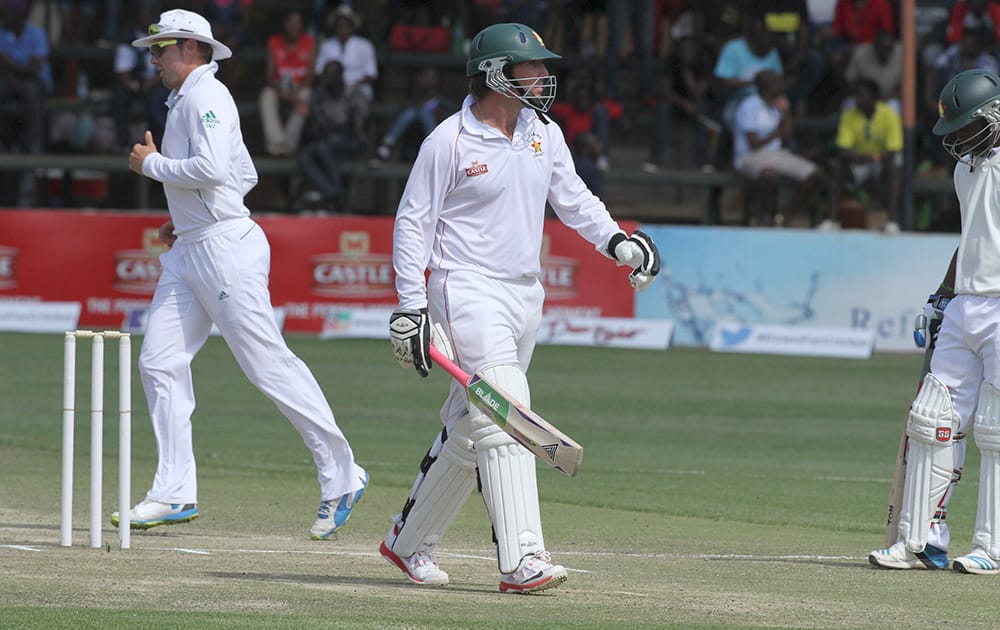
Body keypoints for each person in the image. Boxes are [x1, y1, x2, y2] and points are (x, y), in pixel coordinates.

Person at [381, 22, 660, 593]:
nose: (541, 76)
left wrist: (617, 242)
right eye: (530, 67)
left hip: (523, 292)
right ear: (494, 73)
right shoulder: (448, 141)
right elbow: (413, 223)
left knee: (472, 421)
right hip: (466, 288)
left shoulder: (542, 131)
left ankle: (407, 544)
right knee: (508, 413)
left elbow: (573, 197)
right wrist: (411, 306)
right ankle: (522, 559)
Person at [117, 9, 367, 540]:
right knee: (159, 362)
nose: (154, 58)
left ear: (189, 47)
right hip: (193, 248)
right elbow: (242, 173)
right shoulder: (190, 98)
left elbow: (209, 171)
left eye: (160, 49)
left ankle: (342, 473)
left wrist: (151, 166)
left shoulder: (206, 95)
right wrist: (181, 218)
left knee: (266, 365)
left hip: (225, 249)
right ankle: (174, 491)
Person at [869, 67, 1000, 574]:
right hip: (966, 305)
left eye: (967, 127)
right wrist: (941, 295)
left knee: (994, 427)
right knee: (932, 419)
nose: (960, 139)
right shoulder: (964, 170)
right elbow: (973, 239)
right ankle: (922, 541)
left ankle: (991, 545)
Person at [731, 70, 823, 227]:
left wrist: (786, 113)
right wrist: (776, 134)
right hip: (749, 156)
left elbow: (786, 137)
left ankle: (785, 215)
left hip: (776, 154)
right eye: (776, 82)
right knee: (768, 175)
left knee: (813, 173)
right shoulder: (749, 105)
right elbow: (753, 143)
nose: (781, 84)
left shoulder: (777, 104)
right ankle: (763, 216)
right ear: (766, 86)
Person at [826, 79, 903, 232]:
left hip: (880, 164)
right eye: (856, 95)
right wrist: (859, 158)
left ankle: (892, 222)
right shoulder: (849, 115)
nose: (857, 100)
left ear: (874, 98)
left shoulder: (889, 115)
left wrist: (871, 158)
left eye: (861, 95)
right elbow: (843, 147)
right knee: (837, 167)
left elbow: (893, 149)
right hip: (857, 164)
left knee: (893, 169)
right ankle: (831, 220)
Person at [296, 59, 367, 210]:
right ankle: (334, 193)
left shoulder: (352, 93)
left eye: (331, 74)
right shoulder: (319, 94)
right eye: (325, 74)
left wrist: (349, 121)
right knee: (304, 156)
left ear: (340, 75)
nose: (327, 78)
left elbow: (358, 125)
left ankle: (336, 197)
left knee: (323, 148)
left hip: (348, 141)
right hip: (325, 140)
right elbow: (319, 123)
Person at [259, 9, 315, 156]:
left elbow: (310, 76)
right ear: (284, 25)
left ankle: (289, 144)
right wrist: (280, 90)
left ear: (302, 26)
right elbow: (269, 76)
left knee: (307, 96)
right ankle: (276, 142)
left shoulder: (310, 42)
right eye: (290, 23)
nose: (293, 26)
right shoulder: (274, 42)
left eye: (297, 23)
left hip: (301, 86)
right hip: (279, 85)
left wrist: (295, 92)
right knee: (266, 95)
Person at [313, 6, 377, 128]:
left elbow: (371, 74)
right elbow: (319, 71)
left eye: (346, 24)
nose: (342, 28)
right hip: (331, 92)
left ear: (352, 26)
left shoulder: (365, 45)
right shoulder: (327, 45)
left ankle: (356, 140)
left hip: (357, 90)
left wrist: (351, 86)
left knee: (357, 107)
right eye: (339, 25)